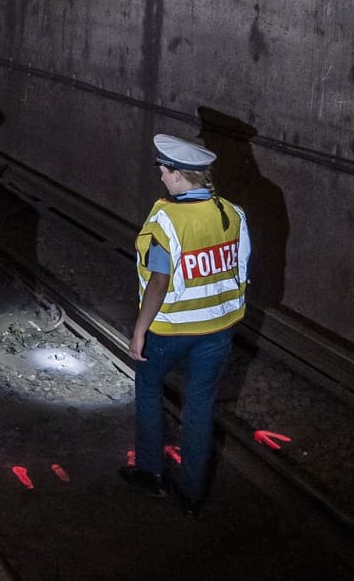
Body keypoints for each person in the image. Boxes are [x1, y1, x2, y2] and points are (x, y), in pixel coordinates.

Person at [118, 133, 251, 516]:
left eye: (164, 170)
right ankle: (192, 495)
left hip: (172, 330)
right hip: (218, 328)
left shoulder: (167, 218)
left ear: (179, 176)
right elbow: (239, 267)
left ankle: (150, 474)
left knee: (147, 388)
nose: (160, 176)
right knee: (200, 405)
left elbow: (159, 281)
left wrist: (140, 329)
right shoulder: (231, 212)